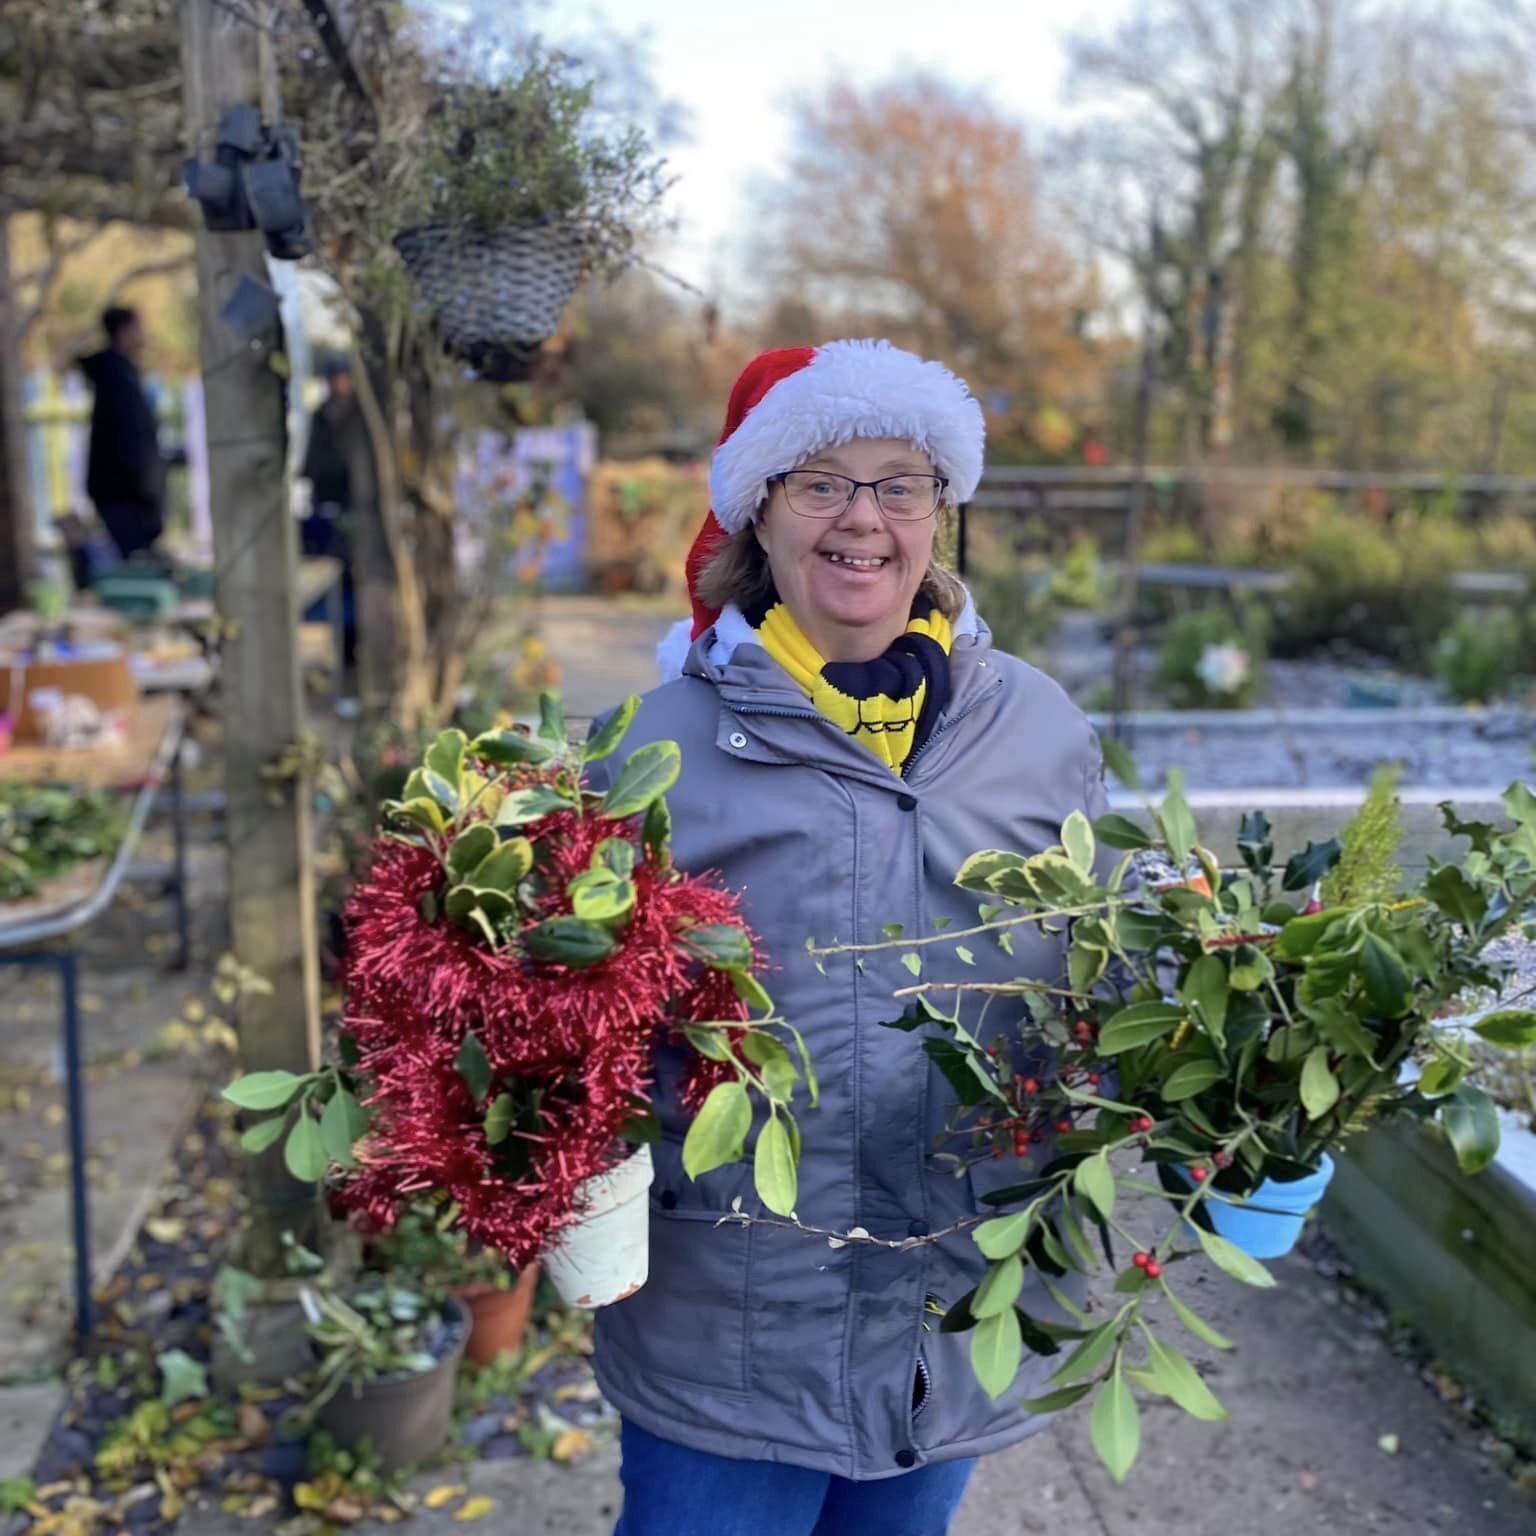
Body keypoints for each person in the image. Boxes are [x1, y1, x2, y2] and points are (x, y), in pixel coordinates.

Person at [588, 340, 1114, 1536]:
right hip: (729, 1334)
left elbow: (1099, 975)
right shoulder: (651, 751)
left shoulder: (1033, 727)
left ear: (942, 513)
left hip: (950, 1316)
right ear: (756, 519)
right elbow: (577, 1032)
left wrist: (1245, 1094)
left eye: (900, 482)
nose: (862, 518)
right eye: (820, 482)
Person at [78, 306, 168, 563]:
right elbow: (132, 440)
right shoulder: (117, 377)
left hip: (123, 489)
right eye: (137, 327)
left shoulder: (119, 372)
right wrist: (148, 488)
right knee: (137, 564)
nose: (143, 334)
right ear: (124, 332)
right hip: (124, 492)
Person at [299, 355, 369, 665]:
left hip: (361, 514)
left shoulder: (362, 416)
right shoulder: (320, 417)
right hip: (330, 515)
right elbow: (313, 466)